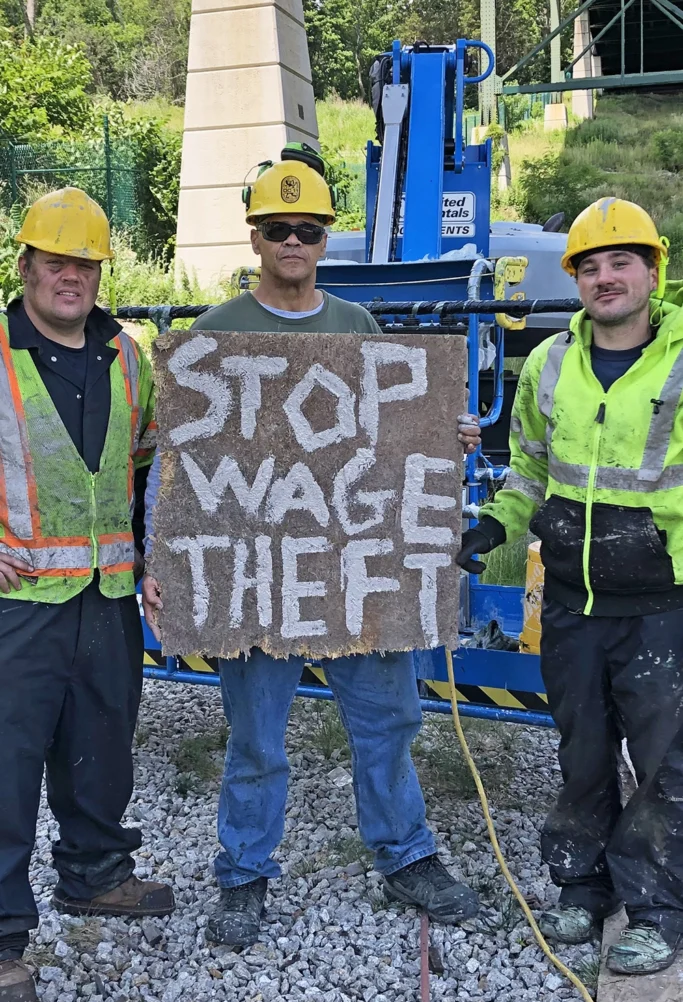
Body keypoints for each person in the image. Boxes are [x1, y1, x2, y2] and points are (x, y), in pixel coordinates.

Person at [143, 144, 482, 951]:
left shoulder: (357, 326)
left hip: (351, 571)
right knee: (256, 740)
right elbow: (179, 468)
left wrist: (444, 434)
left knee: (390, 719)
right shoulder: (214, 334)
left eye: (307, 228)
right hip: (258, 580)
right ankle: (244, 873)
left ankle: (406, 855)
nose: (292, 241)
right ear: (254, 239)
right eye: (276, 228)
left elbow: (390, 442)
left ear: (325, 238)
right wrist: (163, 560)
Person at [457, 196, 683, 976]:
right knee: (581, 754)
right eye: (588, 267)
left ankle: (656, 908)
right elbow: (526, 470)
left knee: (663, 764)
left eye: (620, 261)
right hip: (571, 601)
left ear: (652, 269)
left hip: (660, 605)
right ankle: (583, 889)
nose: (604, 278)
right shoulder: (550, 362)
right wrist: (493, 525)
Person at [0, 187, 174, 1002]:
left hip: (107, 596)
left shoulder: (129, 357)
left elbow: (147, 466)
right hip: (17, 605)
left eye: (86, 264)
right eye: (56, 260)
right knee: (4, 770)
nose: (71, 277)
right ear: (26, 264)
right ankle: (1, 941)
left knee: (101, 748)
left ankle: (96, 875)